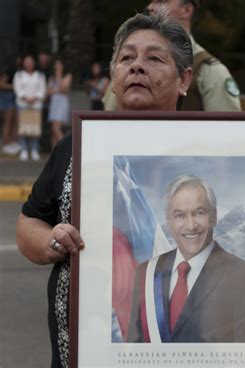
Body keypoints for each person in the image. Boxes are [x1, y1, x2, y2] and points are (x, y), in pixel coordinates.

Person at [16, 11, 193, 367]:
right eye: (127, 58)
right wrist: (53, 241)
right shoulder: (75, 146)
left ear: (184, 79)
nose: (137, 67)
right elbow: (28, 224)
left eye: (154, 58)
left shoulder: (212, 149)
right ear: (112, 78)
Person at [127, 175, 245, 343]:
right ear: (169, 222)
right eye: (180, 215)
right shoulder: (146, 273)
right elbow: (133, 351)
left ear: (214, 216)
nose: (191, 225)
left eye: (199, 213)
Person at [102, 0, 242, 112]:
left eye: (161, 1)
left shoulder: (210, 70)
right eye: (127, 57)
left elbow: (227, 133)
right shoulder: (125, 71)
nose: (150, 6)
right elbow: (109, 116)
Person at [13, 55, 47, 161]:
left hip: (36, 105)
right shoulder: (18, 75)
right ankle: (24, 149)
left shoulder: (40, 75)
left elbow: (42, 89)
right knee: (23, 127)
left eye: (30, 62)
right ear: (24, 63)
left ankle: (34, 150)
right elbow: (17, 88)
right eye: (26, 62)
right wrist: (25, 97)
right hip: (23, 104)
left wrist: (35, 97)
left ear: (34, 63)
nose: (29, 64)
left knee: (35, 128)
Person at [47, 58, 72, 148]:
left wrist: (58, 74)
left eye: (59, 64)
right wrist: (56, 90)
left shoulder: (68, 76)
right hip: (54, 104)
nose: (57, 66)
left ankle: (67, 148)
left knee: (56, 128)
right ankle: (54, 152)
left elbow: (63, 88)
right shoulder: (51, 77)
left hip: (62, 104)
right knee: (52, 130)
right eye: (56, 64)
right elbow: (48, 92)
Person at [0, 63, 20, 155]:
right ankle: (5, 144)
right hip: (6, 99)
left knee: (15, 123)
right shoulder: (7, 71)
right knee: (7, 123)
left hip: (12, 98)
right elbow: (1, 84)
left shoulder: (16, 71)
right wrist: (15, 87)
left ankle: (13, 143)